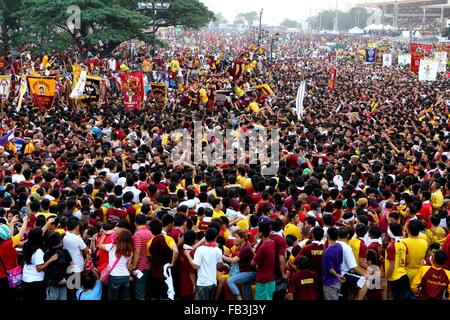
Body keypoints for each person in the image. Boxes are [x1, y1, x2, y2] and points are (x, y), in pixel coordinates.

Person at [183, 228, 223, 300]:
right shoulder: (218, 250)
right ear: (215, 238)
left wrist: (187, 255)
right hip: (213, 282)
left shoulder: (200, 249)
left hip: (202, 283)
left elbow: (195, 265)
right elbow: (219, 265)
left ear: (205, 237)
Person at [22, 228, 58, 301]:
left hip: (26, 279)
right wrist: (51, 259)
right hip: (36, 282)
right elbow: (39, 268)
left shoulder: (26, 245)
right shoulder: (38, 251)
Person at [98, 229, 134, 300]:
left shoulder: (112, 247)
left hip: (114, 277)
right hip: (126, 277)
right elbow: (128, 266)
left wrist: (105, 235)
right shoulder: (130, 251)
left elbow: (99, 245)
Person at [147, 219, 178, 300]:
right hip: (166, 272)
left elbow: (149, 257)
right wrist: (173, 263)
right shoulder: (168, 238)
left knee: (155, 295)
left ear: (151, 231)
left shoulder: (149, 242)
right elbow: (176, 251)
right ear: (161, 228)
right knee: (166, 295)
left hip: (154, 272)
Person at [223, 229, 256, 300]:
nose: (235, 239)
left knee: (230, 280)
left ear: (243, 238)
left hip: (249, 272)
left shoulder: (246, 248)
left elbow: (233, 260)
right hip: (245, 272)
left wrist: (221, 256)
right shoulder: (243, 245)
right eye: (235, 237)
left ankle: (238, 297)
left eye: (237, 237)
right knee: (246, 295)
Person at [63, 217, 90, 299]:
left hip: (68, 267)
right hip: (77, 268)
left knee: (70, 290)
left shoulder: (65, 237)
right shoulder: (77, 239)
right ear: (77, 227)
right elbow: (86, 251)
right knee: (77, 291)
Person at [385, 222, 410, 300]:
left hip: (395, 278)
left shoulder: (391, 247)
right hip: (404, 276)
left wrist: (385, 279)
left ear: (389, 233)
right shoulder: (403, 244)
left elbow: (391, 265)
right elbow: (407, 261)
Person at [44, 232, 73, 300]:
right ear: (60, 241)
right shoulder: (65, 251)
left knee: (52, 297)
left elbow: (44, 268)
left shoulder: (47, 253)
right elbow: (72, 265)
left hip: (52, 280)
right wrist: (66, 277)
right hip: (64, 279)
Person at [251, 222, 276, 300]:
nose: (257, 233)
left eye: (258, 231)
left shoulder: (263, 247)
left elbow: (252, 263)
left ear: (261, 234)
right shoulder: (272, 243)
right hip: (271, 279)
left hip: (263, 280)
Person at [131, 214, 153, 300]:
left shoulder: (138, 234)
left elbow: (137, 251)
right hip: (149, 265)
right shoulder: (150, 233)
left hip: (140, 267)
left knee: (139, 292)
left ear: (135, 223)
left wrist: (134, 266)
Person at [322, 227, 344, 300]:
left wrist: (337, 275)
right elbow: (340, 261)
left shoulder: (327, 252)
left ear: (328, 235)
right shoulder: (339, 246)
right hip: (337, 282)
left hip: (330, 282)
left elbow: (330, 270)